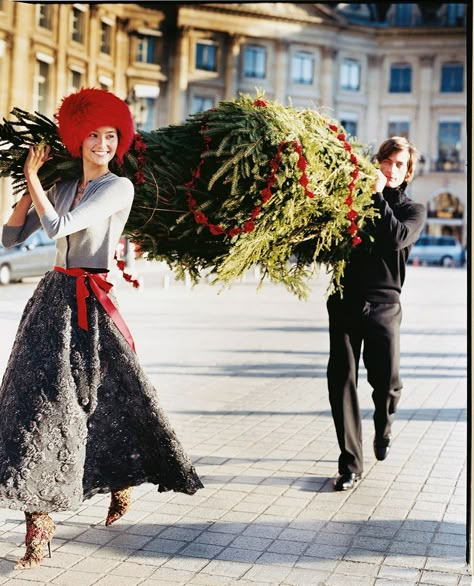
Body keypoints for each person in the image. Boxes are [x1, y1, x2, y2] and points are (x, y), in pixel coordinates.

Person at [0, 88, 203, 569]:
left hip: (90, 301)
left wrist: (31, 177)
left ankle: (121, 479)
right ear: (77, 137)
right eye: (93, 134)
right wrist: (28, 191)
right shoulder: (64, 184)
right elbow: (12, 237)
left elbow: (60, 227)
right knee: (40, 405)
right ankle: (39, 529)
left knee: (108, 397)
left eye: (112, 135)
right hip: (52, 300)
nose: (103, 143)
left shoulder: (118, 188)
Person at [326, 136, 426, 491]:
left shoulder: (412, 211)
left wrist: (376, 195)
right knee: (341, 381)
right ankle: (350, 464)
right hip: (344, 300)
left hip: (385, 305)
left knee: (386, 383)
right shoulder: (351, 202)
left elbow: (394, 239)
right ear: (378, 161)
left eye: (400, 164)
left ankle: (383, 428)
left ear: (408, 172)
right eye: (388, 161)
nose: (392, 169)